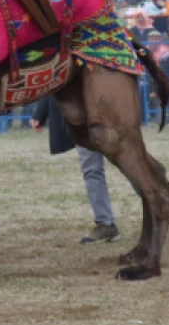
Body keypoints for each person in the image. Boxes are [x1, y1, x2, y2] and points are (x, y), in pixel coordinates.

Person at [31, 97, 120, 244]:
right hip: (86, 115)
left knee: (119, 167)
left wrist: (41, 112)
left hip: (91, 111)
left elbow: (57, 76)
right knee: (100, 169)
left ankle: (107, 222)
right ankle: (106, 222)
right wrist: (41, 111)